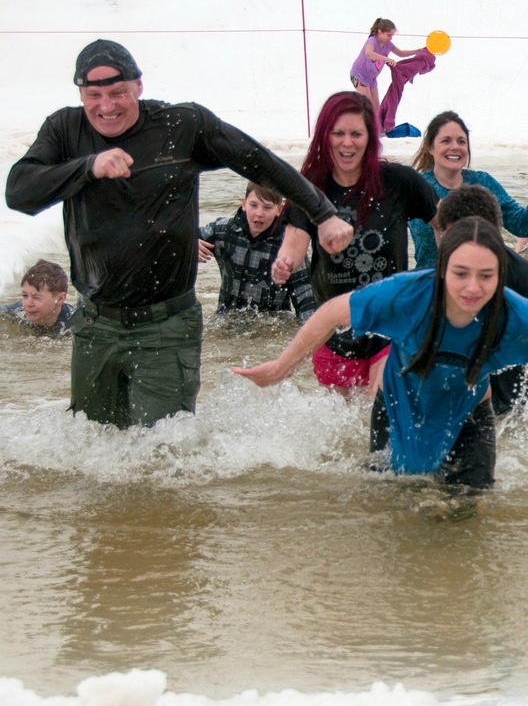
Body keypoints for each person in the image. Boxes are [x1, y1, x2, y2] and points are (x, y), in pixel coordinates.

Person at [4, 39, 349, 428]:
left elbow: (260, 162)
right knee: (93, 450)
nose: (106, 106)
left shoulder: (182, 125)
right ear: (80, 93)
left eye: (117, 92)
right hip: (96, 323)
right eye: (93, 94)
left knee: (162, 453)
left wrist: (323, 213)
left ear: (138, 85)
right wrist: (89, 167)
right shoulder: (65, 129)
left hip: (165, 324)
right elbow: (19, 192)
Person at [234, 217, 528, 489]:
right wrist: (283, 367)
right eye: (461, 273)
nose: (473, 287)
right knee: (395, 503)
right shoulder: (407, 296)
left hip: (469, 417)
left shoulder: (511, 313)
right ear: (441, 271)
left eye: (486, 276)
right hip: (396, 410)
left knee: (465, 516)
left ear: (501, 274)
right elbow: (331, 311)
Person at [271, 91, 438, 396]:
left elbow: (445, 225)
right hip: (334, 330)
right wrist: (283, 264)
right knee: (346, 433)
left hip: (391, 324)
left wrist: (453, 273)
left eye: (356, 134)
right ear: (325, 136)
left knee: (380, 410)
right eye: (338, 133)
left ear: (370, 138)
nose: (347, 143)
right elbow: (293, 246)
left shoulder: (398, 181)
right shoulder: (309, 186)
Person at [437, 184, 528, 415]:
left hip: (514, 375)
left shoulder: (518, 270)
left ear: (496, 232)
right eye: (457, 236)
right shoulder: (441, 270)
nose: (469, 247)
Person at [408, 110, 528, 269]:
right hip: (429, 283)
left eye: (461, 141)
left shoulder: (483, 182)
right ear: (430, 147)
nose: (455, 147)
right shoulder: (416, 186)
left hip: (479, 283)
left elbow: (522, 226)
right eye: (446, 141)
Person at [198, 182, 316, 324]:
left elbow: (306, 300)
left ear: (279, 209)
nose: (259, 214)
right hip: (224, 322)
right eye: (254, 205)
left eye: (267, 207)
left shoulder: (289, 245)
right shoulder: (223, 231)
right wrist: (191, 243)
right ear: (244, 204)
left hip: (271, 329)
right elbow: (176, 242)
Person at [349, 18, 422, 132]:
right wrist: (386, 59)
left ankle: (378, 130)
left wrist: (418, 51)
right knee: (367, 105)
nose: (390, 38)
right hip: (359, 75)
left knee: (376, 107)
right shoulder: (372, 41)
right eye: (389, 35)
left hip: (371, 78)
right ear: (379, 32)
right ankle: (364, 130)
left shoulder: (388, 44)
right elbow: (368, 53)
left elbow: (401, 53)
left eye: (392, 35)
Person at [1, 259, 74, 333]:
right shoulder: (18, 311)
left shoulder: (75, 322)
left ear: (60, 299)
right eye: (25, 295)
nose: (28, 303)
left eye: (36, 297)